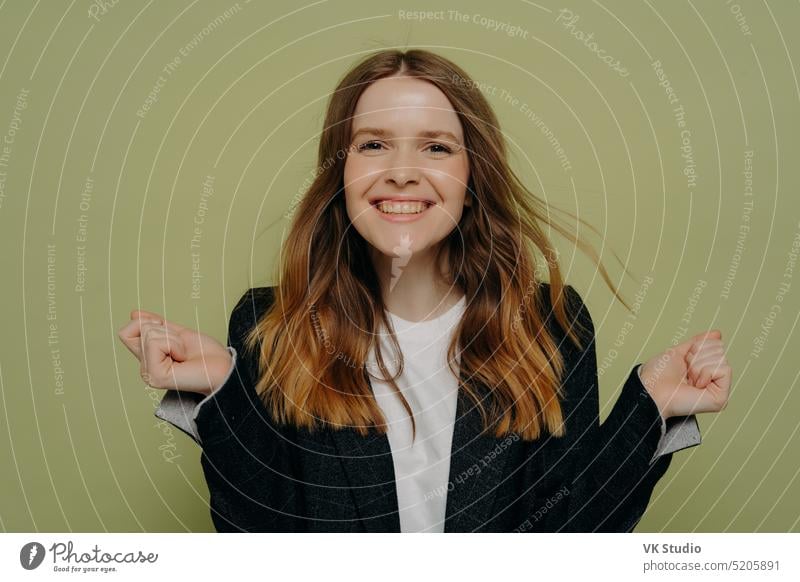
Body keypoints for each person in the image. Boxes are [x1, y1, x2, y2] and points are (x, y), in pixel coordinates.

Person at [118, 49, 731, 532]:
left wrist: (650, 409)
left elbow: (564, 541)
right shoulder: (268, 324)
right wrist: (223, 398)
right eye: (374, 144)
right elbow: (263, 539)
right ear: (342, 171)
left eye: (436, 146)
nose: (402, 170)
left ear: (472, 175)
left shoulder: (548, 323)